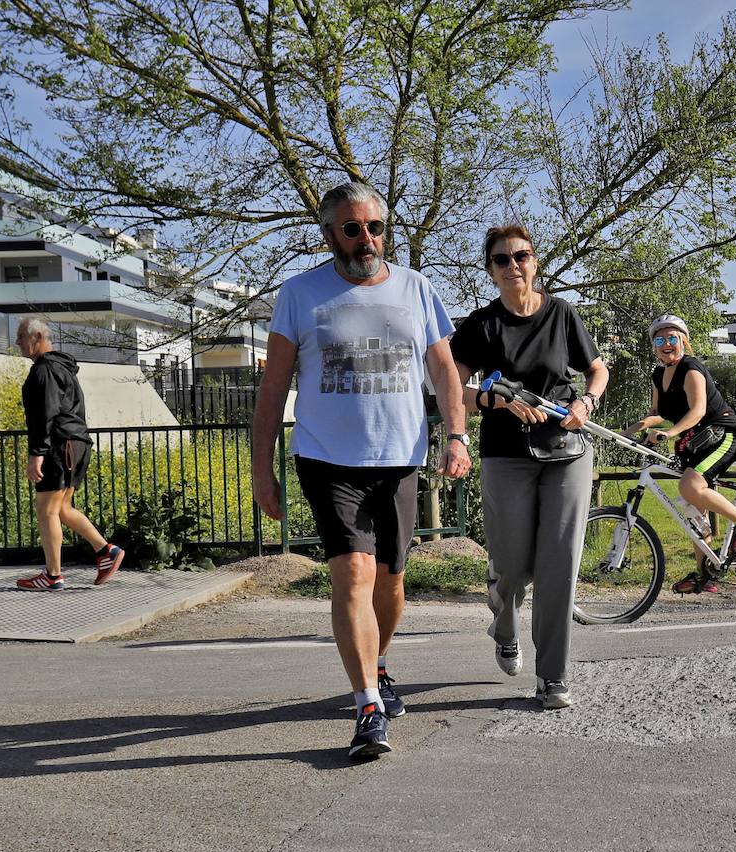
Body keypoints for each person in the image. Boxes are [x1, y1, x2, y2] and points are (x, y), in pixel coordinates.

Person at [252, 181, 470, 760]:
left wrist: (455, 434)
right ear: (328, 235)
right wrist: (261, 471)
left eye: (375, 227)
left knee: (391, 584)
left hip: (400, 457)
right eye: (353, 228)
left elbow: (445, 371)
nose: (367, 238)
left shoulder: (416, 288)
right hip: (326, 458)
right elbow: (273, 389)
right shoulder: (300, 295)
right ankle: (368, 704)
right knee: (352, 574)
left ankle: (376, 660)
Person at [449, 224, 608, 711]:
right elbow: (452, 393)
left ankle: (552, 676)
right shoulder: (480, 325)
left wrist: (588, 401)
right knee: (514, 570)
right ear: (491, 270)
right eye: (502, 259)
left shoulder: (561, 313)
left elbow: (597, 368)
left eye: (522, 255)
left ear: (535, 262)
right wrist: (494, 398)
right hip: (507, 458)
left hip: (567, 449)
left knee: (560, 566)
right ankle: (503, 617)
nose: (513, 264)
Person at [623, 314, 736, 595]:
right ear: (654, 346)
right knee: (694, 510)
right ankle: (706, 574)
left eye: (672, 338)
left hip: (721, 435)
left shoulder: (691, 368)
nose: (666, 344)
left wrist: (670, 433)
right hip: (694, 442)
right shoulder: (658, 375)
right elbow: (658, 414)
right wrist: (633, 429)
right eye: (660, 339)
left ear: (683, 342)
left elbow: (698, 411)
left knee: (689, 486)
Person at [15, 317, 124, 590]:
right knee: (62, 508)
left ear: (37, 336)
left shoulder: (45, 370)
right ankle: (106, 551)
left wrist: (36, 454)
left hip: (59, 445)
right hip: (75, 444)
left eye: (20, 337)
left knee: (46, 509)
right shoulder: (62, 367)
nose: (17, 342)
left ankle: (52, 576)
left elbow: (45, 414)